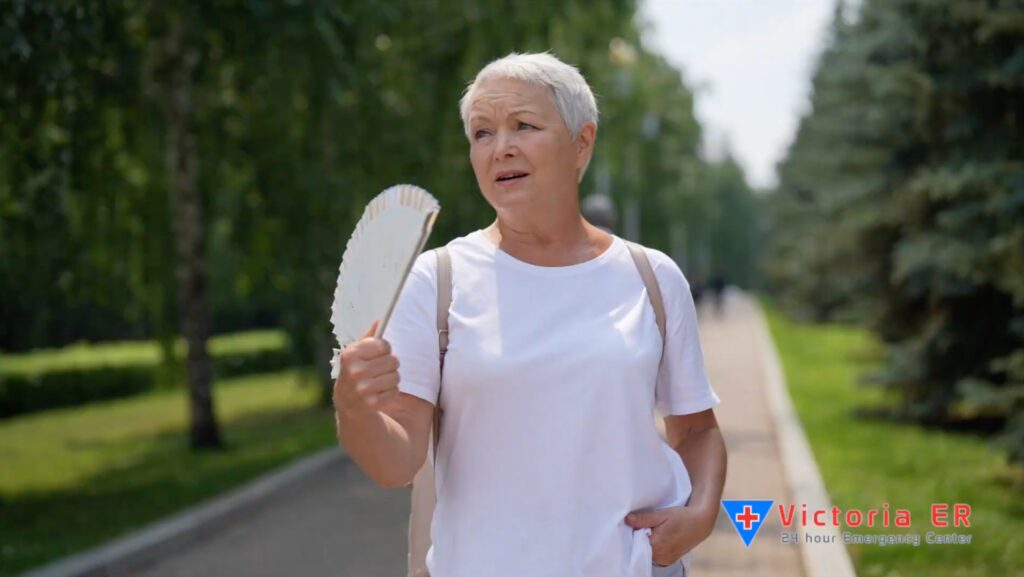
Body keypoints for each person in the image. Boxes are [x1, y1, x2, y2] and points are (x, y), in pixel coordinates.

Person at [334, 52, 726, 577]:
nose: (501, 149)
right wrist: (355, 409)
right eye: (482, 133)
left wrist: (700, 514)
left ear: (581, 143)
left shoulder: (650, 277)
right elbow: (396, 462)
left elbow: (696, 429)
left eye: (523, 125)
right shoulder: (437, 280)